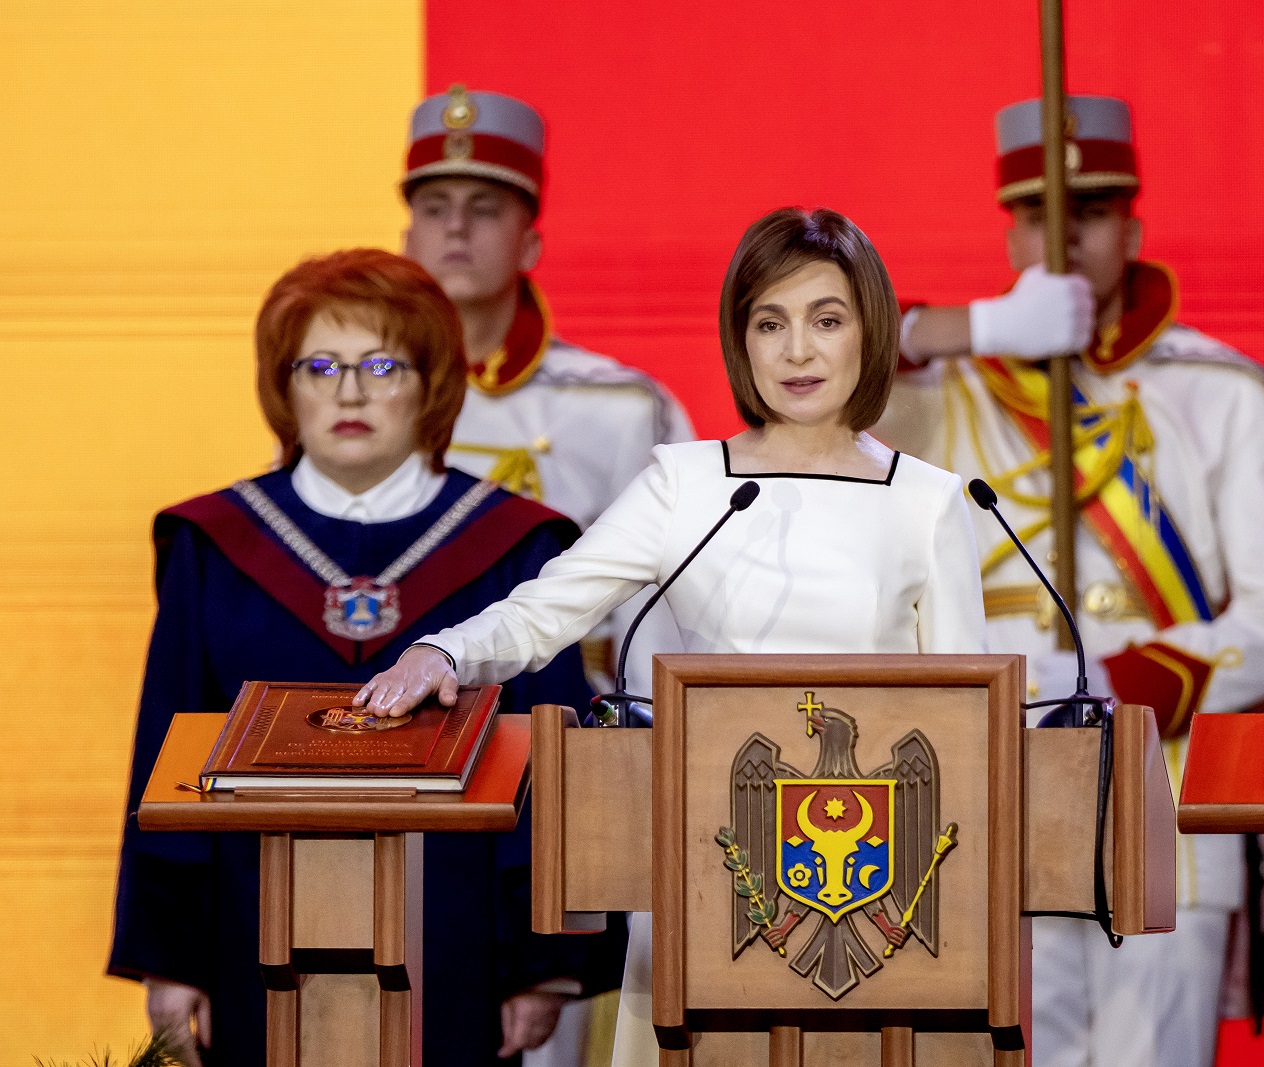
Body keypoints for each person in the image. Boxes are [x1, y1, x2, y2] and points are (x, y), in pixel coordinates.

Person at [354, 207, 989, 1066]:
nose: (797, 350)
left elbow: (970, 729)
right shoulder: (688, 485)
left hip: (878, 892)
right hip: (705, 861)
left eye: (825, 320)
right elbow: (548, 607)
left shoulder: (932, 501)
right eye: (770, 323)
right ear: (741, 342)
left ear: (868, 334)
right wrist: (446, 650)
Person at [874, 96, 1264, 1067]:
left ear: (1132, 227)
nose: (1062, 235)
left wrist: (1118, 679)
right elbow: (798, 376)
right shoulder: (943, 389)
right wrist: (960, 327)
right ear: (1008, 230)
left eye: (1089, 212)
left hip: (1167, 794)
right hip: (992, 792)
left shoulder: (1221, 393)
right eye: (1038, 213)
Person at [107, 249, 626, 1067]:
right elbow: (168, 757)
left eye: (382, 364)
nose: (349, 392)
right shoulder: (213, 546)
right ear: (285, 387)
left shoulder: (514, 548)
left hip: (458, 949)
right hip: (251, 943)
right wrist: (170, 958)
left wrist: (544, 963)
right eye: (320, 365)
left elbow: (555, 767)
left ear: (433, 384)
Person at [400, 84, 695, 696]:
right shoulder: (354, 396)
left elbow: (664, 605)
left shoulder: (624, 406)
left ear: (530, 242)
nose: (456, 227)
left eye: (484, 208)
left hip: (561, 720)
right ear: (406, 239)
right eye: (433, 207)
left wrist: (644, 750)